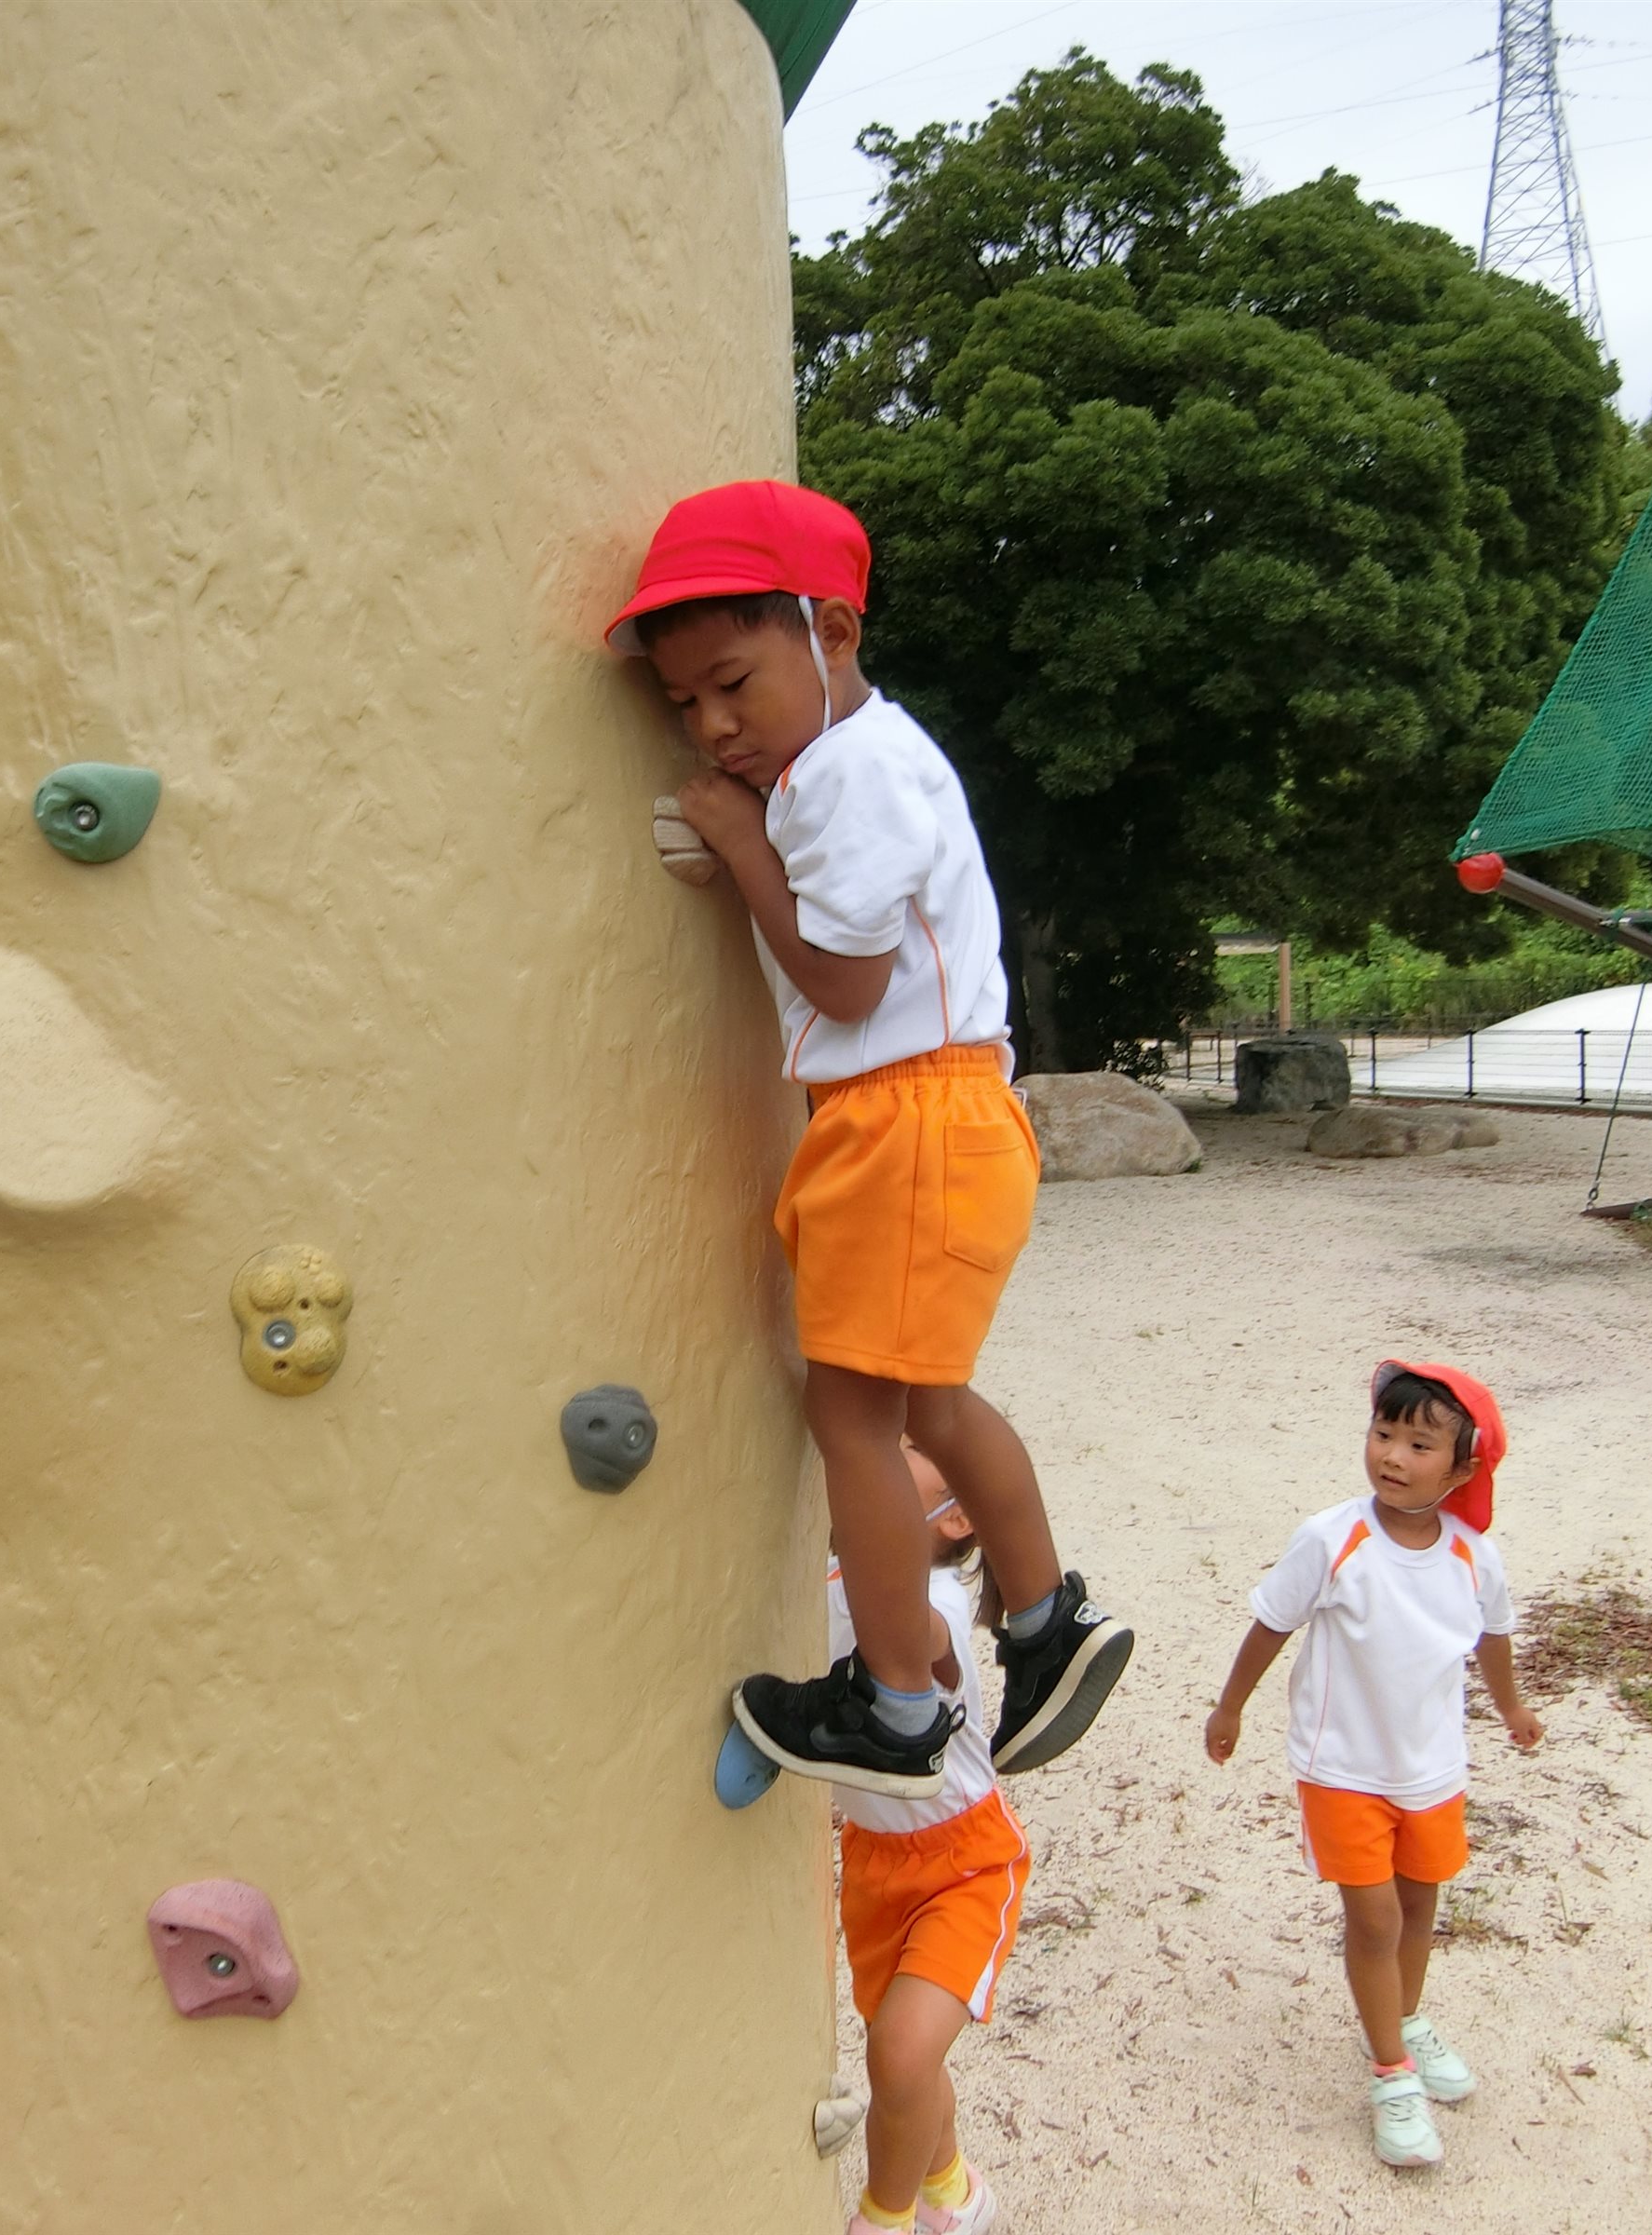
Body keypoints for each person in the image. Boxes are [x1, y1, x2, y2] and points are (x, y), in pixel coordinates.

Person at [606, 478, 1131, 1797]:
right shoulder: (850, 765)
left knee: (849, 1415)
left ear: (830, 631)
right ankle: (1043, 1621)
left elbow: (844, 983)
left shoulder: (850, 772)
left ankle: (898, 1701)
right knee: (928, 1400)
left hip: (906, 1114)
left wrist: (736, 845)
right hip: (925, 1115)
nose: (714, 726)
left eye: (733, 682)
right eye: (684, 705)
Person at [1202, 1363, 1543, 2171]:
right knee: (1376, 1920)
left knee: (1421, 1910)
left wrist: (1511, 1707)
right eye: (1383, 1434)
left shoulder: (1472, 1557)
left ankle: (1406, 2018)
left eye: (1419, 1443)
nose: (1393, 1455)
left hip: (1432, 1771)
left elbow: (1492, 1637)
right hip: (1342, 1770)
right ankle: (1391, 2072)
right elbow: (1271, 1624)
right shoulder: (1333, 1538)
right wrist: (1230, 1706)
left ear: (1462, 1469)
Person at [828, 1449, 1022, 2235]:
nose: (874, 1461)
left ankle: (886, 2217)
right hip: (874, 1859)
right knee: (902, 2056)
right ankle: (953, 2189)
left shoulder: (929, 1597)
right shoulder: (831, 1587)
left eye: (902, 1457)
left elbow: (924, 1638)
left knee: (901, 2056)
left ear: (957, 1518)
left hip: (964, 1863)